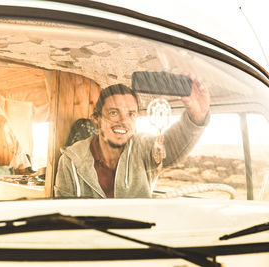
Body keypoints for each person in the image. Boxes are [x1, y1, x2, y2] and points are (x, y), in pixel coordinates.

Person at [54, 77, 210, 198]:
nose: (123, 122)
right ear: (97, 119)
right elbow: (63, 214)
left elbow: (169, 145)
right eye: (114, 113)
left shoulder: (142, 148)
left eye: (131, 114)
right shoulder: (70, 160)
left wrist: (196, 116)